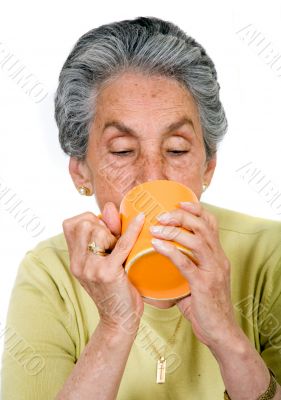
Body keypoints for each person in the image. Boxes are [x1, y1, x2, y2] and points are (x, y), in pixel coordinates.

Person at [1, 16, 281, 400]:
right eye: (122, 150)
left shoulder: (272, 255)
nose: (152, 176)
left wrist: (226, 335)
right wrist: (116, 326)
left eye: (177, 149)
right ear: (81, 171)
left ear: (208, 167)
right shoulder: (48, 274)